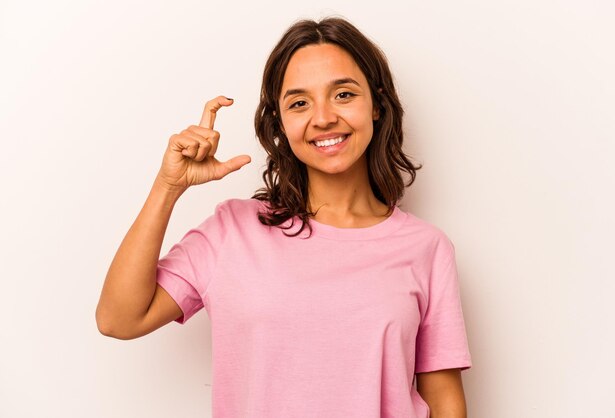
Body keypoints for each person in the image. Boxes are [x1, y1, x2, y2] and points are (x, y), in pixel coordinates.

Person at [96, 17, 472, 418]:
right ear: (279, 123)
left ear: (377, 104)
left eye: (343, 95)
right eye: (299, 103)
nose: (323, 117)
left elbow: (444, 399)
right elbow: (119, 319)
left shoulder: (426, 248)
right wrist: (168, 187)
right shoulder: (233, 232)